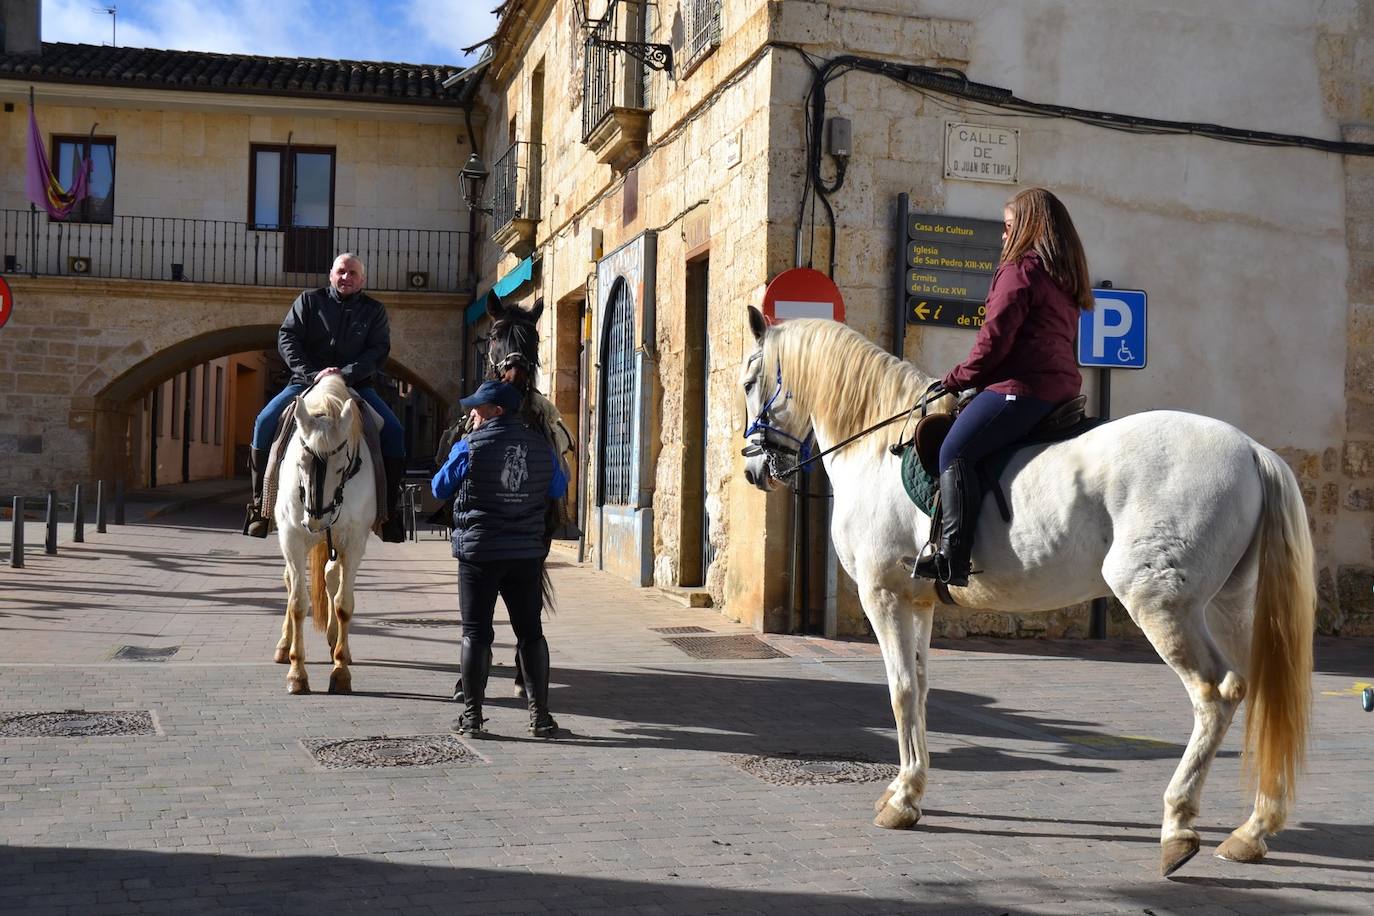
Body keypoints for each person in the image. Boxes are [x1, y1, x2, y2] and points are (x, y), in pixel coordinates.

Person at [913, 188, 1093, 586]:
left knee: (954, 450)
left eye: (1009, 227)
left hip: (1021, 388)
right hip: (1060, 390)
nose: (1003, 236)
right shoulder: (1062, 275)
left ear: (1026, 227)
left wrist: (955, 379)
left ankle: (951, 558)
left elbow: (994, 341)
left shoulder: (1021, 270)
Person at [432, 379, 568, 738]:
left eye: (477, 408)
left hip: (480, 555)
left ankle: (473, 717)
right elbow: (557, 487)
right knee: (531, 633)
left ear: (497, 411)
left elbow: (438, 488)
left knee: (476, 633)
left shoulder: (468, 446)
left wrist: (462, 450)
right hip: (525, 554)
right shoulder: (541, 447)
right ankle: (540, 717)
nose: (471, 413)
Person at [243, 253, 407, 543]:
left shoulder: (374, 311)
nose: (347, 277)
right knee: (264, 422)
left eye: (353, 273)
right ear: (331, 275)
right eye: (342, 272)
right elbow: (288, 339)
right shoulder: (308, 301)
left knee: (394, 432)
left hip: (355, 387)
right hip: (305, 384)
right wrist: (313, 374)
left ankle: (388, 514)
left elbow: (378, 350)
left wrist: (344, 374)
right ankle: (260, 507)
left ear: (362, 280)